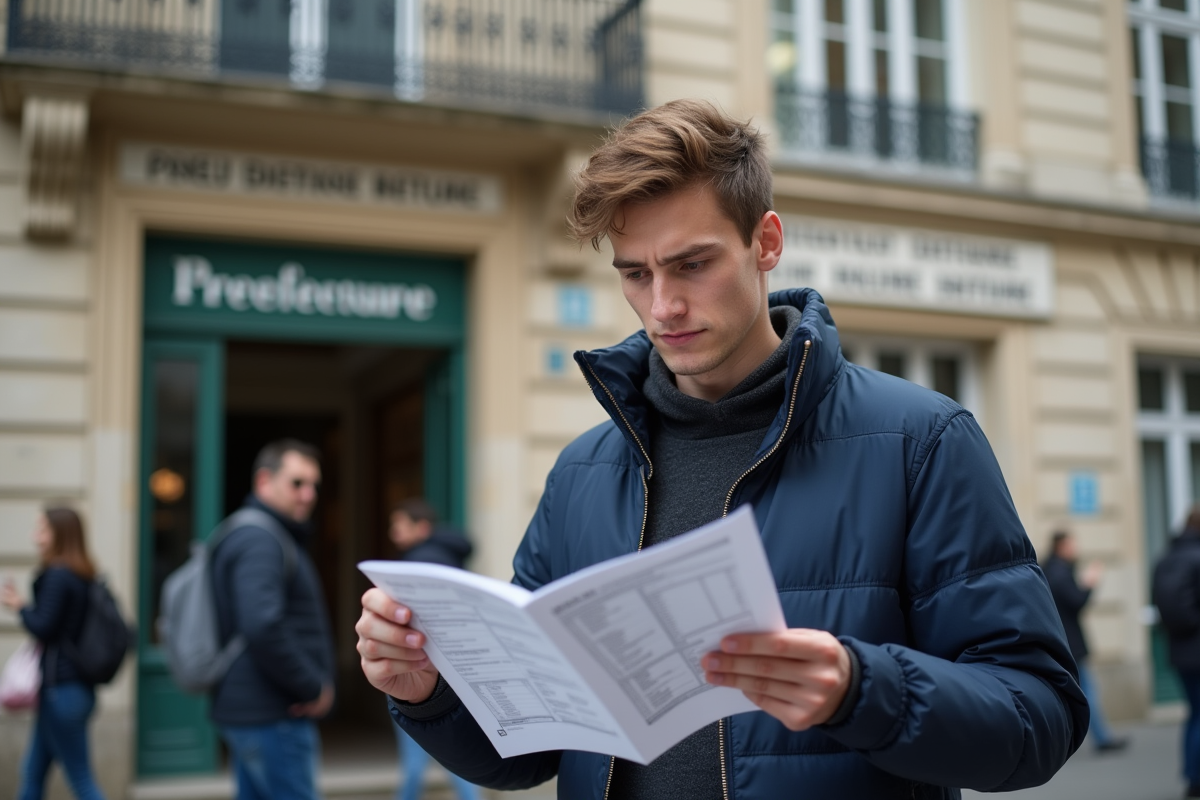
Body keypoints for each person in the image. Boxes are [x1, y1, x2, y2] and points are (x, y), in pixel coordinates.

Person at [355, 99, 1088, 798]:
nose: (663, 306)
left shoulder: (921, 441)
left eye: (692, 264)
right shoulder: (583, 471)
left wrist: (863, 689)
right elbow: (531, 751)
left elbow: (1038, 718)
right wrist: (430, 694)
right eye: (636, 274)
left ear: (765, 242)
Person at [210, 439, 336, 800]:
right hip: (272, 712)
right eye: (297, 483)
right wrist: (313, 686)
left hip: (255, 709)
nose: (309, 494)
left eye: (314, 485)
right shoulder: (260, 539)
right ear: (264, 481)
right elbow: (263, 623)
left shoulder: (257, 533)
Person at [1, 506, 106, 800]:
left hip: (61, 690)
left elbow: (43, 627)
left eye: (42, 530)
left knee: (82, 781)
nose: (36, 537)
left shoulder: (59, 575)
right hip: (70, 690)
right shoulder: (82, 574)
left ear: (59, 534)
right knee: (33, 773)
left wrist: (19, 606)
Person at [387, 498, 480, 800]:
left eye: (399, 525)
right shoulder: (450, 556)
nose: (393, 532)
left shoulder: (418, 562)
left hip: (419, 669)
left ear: (421, 527)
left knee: (414, 765)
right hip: (456, 671)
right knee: (459, 761)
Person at [1043, 530, 1128, 753]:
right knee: (1087, 691)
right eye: (1072, 545)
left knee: (1070, 691)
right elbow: (1077, 601)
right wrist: (1090, 583)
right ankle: (1101, 739)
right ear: (1061, 547)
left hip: (1060, 642)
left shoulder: (1049, 570)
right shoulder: (1060, 573)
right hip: (1070, 644)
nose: (1075, 549)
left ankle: (1091, 738)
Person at [1152, 506, 1200, 799]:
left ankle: (1191, 774)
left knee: (1194, 714)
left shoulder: (1164, 558)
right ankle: (1195, 776)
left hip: (1178, 651)